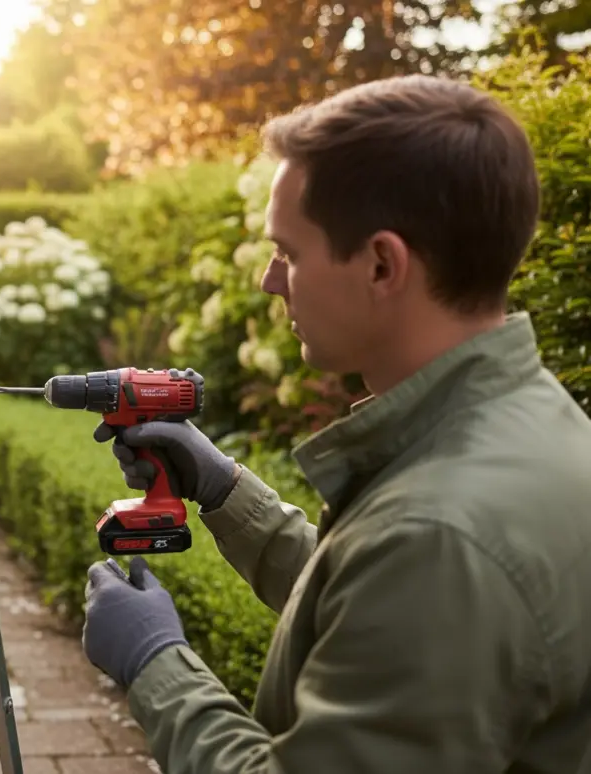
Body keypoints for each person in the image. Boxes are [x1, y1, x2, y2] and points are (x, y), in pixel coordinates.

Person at [81, 73, 591, 772]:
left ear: (382, 264)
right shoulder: (526, 419)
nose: (269, 280)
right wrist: (225, 490)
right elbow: (386, 616)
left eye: (289, 252)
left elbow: (417, 572)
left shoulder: (440, 539)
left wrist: (155, 664)